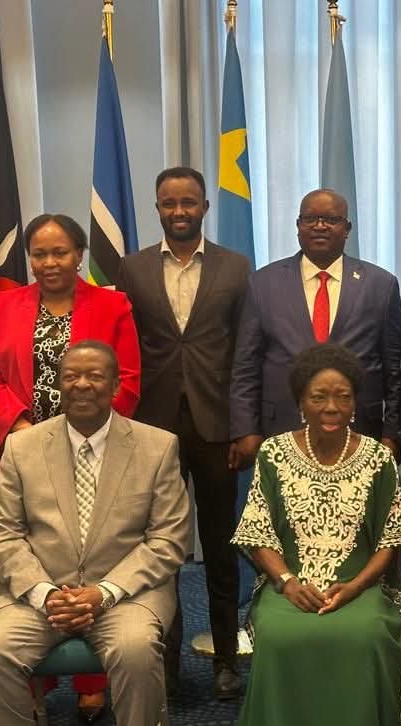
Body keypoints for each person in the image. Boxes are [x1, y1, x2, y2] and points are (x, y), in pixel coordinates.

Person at [0, 341, 189, 726]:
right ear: (58, 384)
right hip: (37, 594)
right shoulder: (23, 446)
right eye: (71, 376)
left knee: (135, 650)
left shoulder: (157, 446)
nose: (82, 385)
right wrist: (46, 593)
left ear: (115, 385)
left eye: (94, 376)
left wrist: (103, 592)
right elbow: (2, 537)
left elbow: (168, 540)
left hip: (126, 593)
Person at [217, 344, 401, 726]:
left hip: (361, 587)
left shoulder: (377, 458)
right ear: (300, 401)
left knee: (364, 635)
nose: (331, 407)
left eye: (343, 396)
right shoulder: (274, 453)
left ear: (356, 401)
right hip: (289, 585)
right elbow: (257, 532)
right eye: (319, 396)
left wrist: (357, 586)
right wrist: (287, 581)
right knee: (282, 636)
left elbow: (390, 540)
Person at [0, 213, 142, 721]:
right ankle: (33, 676)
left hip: (96, 451)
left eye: (60, 252)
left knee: (93, 554)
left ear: (79, 255)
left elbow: (127, 378)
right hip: (22, 455)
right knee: (28, 555)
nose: (49, 262)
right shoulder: (3, 306)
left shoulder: (112, 305)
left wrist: (88, 436)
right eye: (40, 253)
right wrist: (24, 431)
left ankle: (93, 681)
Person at [117, 167, 250, 699]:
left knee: (219, 545)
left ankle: (225, 660)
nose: (179, 211)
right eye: (169, 203)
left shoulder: (235, 267)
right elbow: (125, 346)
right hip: (152, 426)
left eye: (188, 202)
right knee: (159, 546)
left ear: (203, 207)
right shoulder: (131, 268)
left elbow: (245, 351)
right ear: (157, 208)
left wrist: (245, 425)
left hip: (217, 426)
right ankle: (163, 664)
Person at [229, 189, 401, 464]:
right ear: (298, 226)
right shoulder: (263, 283)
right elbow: (246, 366)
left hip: (360, 433)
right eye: (310, 219)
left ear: (347, 229)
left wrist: (392, 435)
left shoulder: (380, 285)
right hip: (281, 431)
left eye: (331, 219)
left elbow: (396, 372)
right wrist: (246, 429)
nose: (320, 226)